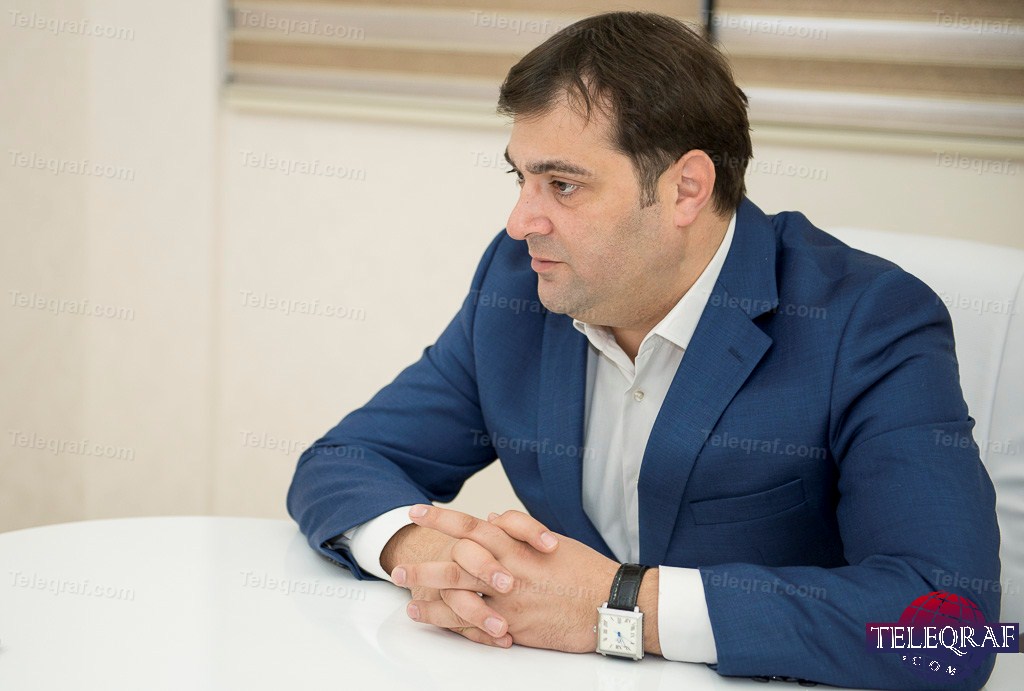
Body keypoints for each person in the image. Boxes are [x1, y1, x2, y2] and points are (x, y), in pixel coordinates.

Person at [287, 11, 1000, 689]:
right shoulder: (520, 287)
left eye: (563, 185)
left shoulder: (868, 321)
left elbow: (953, 631)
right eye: (520, 178)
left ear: (686, 188)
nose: (520, 221)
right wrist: (441, 557)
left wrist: (618, 603)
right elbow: (344, 461)